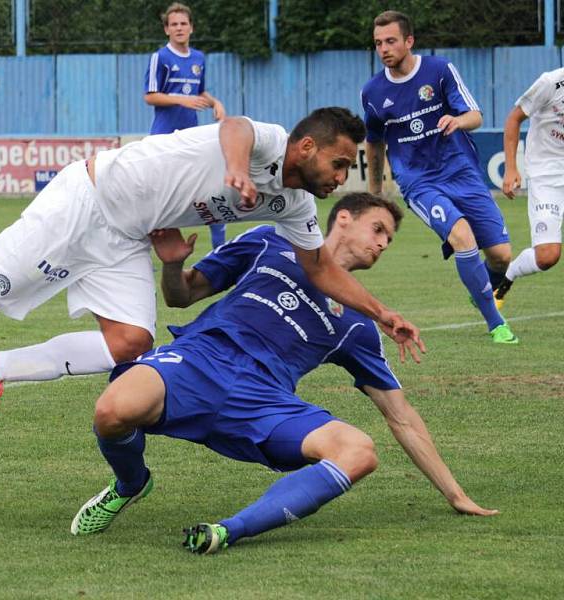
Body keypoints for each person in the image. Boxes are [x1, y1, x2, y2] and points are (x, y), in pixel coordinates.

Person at [0, 108, 423, 433]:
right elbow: (235, 127)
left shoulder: (299, 205)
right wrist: (231, 170)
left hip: (126, 238)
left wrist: (381, 312)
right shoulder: (271, 140)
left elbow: (320, 271)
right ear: (308, 148)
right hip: (86, 201)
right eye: (340, 165)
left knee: (131, 344)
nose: (343, 180)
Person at [70, 193, 495, 553]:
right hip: (200, 360)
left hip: (263, 403)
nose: (383, 244)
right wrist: (171, 266)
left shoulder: (361, 325)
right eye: (378, 229)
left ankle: (227, 531)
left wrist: (455, 494)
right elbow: (183, 295)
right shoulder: (270, 241)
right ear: (343, 219)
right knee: (112, 410)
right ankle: (130, 484)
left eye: (389, 238)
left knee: (359, 451)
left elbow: (400, 416)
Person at [361, 10, 517, 344]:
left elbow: (475, 115)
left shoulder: (439, 70)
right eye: (377, 43)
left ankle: (481, 289)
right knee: (462, 237)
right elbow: (373, 143)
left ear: (409, 41)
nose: (383, 48)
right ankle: (496, 324)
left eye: (390, 41)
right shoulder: (373, 92)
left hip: (461, 171)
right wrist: (376, 193)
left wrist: (457, 121)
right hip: (418, 182)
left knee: (502, 256)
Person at [144, 2, 227, 249]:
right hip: (164, 138)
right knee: (157, 201)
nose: (179, 28)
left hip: (192, 137)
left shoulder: (198, 58)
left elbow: (200, 91)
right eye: (174, 24)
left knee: (212, 192)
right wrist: (182, 99)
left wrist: (215, 102)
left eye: (183, 23)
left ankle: (220, 253)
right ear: (166, 30)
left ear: (191, 28)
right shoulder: (160, 57)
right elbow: (150, 96)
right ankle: (147, 257)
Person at [495, 66, 564, 301]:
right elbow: (514, 119)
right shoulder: (551, 82)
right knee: (547, 256)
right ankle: (510, 273)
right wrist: (511, 168)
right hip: (547, 175)